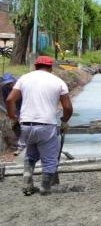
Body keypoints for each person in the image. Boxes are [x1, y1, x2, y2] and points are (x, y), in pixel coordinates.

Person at [5, 56, 72, 196]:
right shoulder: (58, 82)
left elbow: (10, 99)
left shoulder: (24, 78)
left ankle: (27, 183)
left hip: (26, 125)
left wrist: (12, 119)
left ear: (36, 66)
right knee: (50, 158)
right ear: (51, 68)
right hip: (46, 125)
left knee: (31, 154)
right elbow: (67, 107)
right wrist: (64, 121)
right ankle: (45, 187)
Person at [1, 73, 22, 154]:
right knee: (15, 126)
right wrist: (11, 112)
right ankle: (20, 144)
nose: (10, 85)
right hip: (14, 107)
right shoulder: (4, 89)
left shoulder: (20, 86)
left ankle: (26, 144)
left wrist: (20, 114)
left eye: (11, 83)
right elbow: (7, 101)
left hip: (24, 106)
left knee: (24, 125)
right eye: (7, 83)